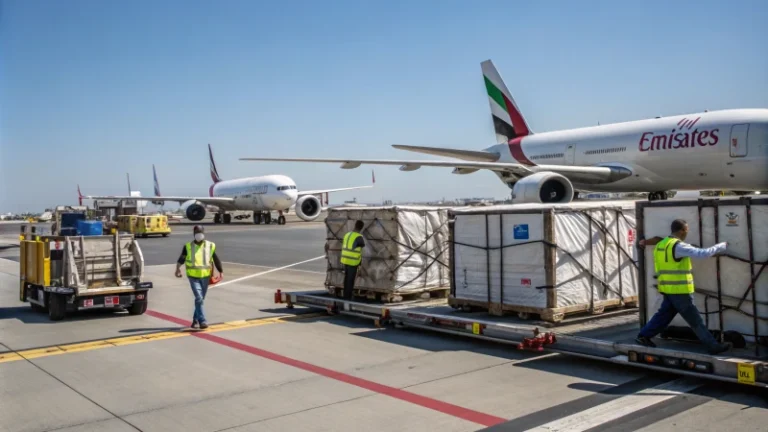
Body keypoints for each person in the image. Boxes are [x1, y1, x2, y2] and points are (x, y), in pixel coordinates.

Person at [636, 219, 731, 354]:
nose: (687, 232)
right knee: (695, 321)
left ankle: (643, 336)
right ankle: (713, 346)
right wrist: (721, 246)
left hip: (668, 289)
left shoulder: (662, 244)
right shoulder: (678, 246)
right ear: (681, 230)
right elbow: (703, 253)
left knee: (663, 315)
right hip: (680, 291)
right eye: (686, 230)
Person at [175, 225, 223, 329]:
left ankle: (195, 320)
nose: (199, 234)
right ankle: (202, 321)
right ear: (194, 234)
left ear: (204, 233)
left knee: (200, 300)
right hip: (193, 276)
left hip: (205, 276)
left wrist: (221, 271)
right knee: (199, 298)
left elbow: (216, 258)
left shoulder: (210, 245)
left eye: (200, 232)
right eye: (197, 232)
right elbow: (181, 258)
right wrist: (177, 268)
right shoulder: (188, 246)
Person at [340, 220, 366, 300]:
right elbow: (363, 245)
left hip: (345, 259)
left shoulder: (347, 234)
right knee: (350, 280)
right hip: (352, 261)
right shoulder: (359, 237)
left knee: (346, 278)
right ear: (361, 228)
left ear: (354, 226)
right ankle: (348, 297)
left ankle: (345, 294)